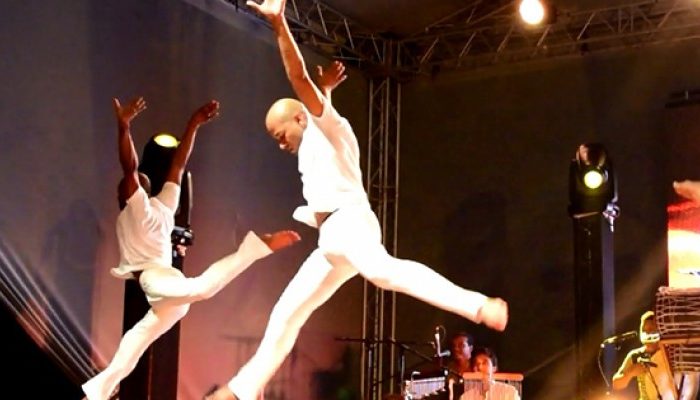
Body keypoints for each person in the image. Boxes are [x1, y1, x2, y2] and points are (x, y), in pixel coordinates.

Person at [204, 0, 509, 398]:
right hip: (332, 241)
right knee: (287, 313)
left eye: (281, 134)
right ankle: (237, 392)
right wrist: (327, 92)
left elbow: (298, 78)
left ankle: (478, 305)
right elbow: (315, 99)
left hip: (350, 223)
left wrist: (280, 24)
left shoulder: (329, 129)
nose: (280, 144)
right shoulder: (317, 136)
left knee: (383, 272)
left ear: (300, 117)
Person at [81, 97, 301, 400]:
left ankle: (254, 247)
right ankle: (97, 392)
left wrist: (129, 127)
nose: (131, 184)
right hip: (164, 288)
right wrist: (190, 123)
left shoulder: (148, 206)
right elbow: (161, 165)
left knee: (197, 292)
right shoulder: (153, 206)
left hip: (159, 281)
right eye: (129, 186)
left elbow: (151, 165)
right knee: (136, 341)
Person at [611, 311, 699, 399]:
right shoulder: (635, 355)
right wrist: (630, 373)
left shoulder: (672, 352)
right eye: (644, 330)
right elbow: (616, 384)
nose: (647, 334)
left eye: (651, 330)